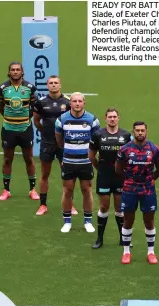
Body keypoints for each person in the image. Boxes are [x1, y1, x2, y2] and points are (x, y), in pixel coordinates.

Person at [115, 121, 159, 265]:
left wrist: (149, 179)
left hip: (148, 189)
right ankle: (126, 252)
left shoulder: (154, 149)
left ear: (146, 131)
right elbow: (118, 169)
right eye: (137, 130)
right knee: (128, 220)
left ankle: (151, 252)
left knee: (149, 220)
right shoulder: (125, 149)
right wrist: (131, 180)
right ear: (133, 132)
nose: (140, 133)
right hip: (130, 189)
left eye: (142, 130)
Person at [54, 92, 100, 233]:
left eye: (80, 101)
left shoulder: (93, 120)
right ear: (70, 103)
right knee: (67, 191)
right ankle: (67, 222)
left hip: (86, 162)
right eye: (74, 101)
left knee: (87, 190)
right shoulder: (61, 120)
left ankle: (88, 221)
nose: (77, 103)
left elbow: (96, 140)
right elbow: (59, 139)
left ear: (84, 102)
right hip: (68, 161)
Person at [32, 75, 77, 216]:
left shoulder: (68, 102)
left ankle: (70, 204)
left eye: (56, 83)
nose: (53, 85)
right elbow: (36, 121)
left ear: (60, 85)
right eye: (50, 83)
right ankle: (43, 205)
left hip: (64, 144)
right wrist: (45, 132)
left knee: (68, 175)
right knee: (45, 174)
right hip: (47, 143)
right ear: (47, 85)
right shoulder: (41, 102)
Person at [88, 108, 132, 249]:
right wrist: (100, 170)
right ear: (105, 118)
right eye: (110, 117)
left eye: (114, 117)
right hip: (104, 176)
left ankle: (123, 239)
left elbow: (131, 155)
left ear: (118, 118)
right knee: (104, 206)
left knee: (120, 208)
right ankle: (100, 239)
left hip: (120, 177)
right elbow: (91, 156)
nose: (112, 119)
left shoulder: (126, 135)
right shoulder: (98, 135)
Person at [0, 61, 39, 201]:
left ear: (22, 72)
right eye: (13, 70)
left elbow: (34, 106)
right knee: (7, 159)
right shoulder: (2, 88)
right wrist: (10, 118)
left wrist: (25, 118)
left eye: (18, 69)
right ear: (9, 72)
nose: (15, 72)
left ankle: (32, 189)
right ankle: (6, 190)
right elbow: (0, 106)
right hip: (8, 129)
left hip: (25, 129)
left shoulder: (30, 88)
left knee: (29, 159)